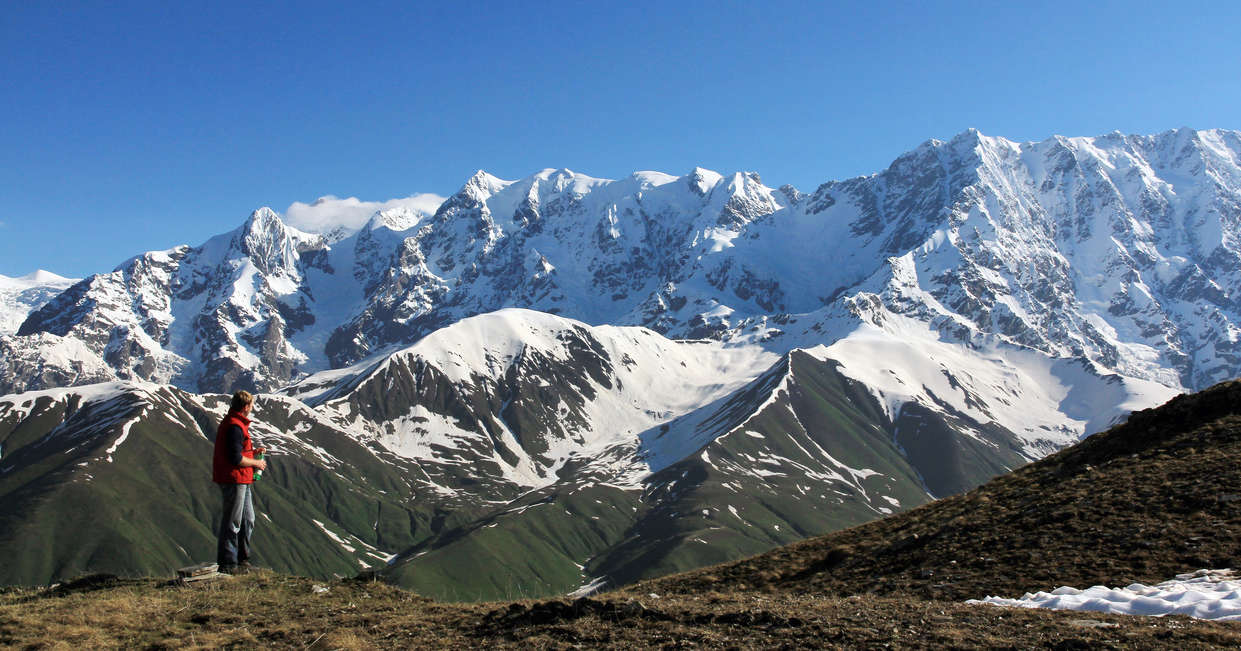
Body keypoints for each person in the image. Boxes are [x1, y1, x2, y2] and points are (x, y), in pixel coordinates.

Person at [213, 390, 267, 574]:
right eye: (251, 405)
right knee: (233, 520)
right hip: (234, 479)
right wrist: (257, 462)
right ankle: (228, 563)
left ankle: (242, 559)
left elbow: (236, 453)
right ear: (246, 407)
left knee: (247, 519)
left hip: (242, 478)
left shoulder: (235, 424)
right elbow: (235, 458)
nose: (252, 408)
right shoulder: (235, 426)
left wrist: (252, 453)